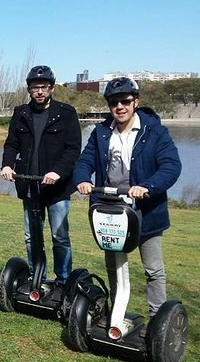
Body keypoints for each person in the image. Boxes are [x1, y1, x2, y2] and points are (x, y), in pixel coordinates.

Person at [74, 76, 181, 319]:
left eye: (125, 101)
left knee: (153, 270)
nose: (119, 107)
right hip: (110, 209)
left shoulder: (155, 132)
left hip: (146, 210)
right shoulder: (101, 132)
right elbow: (85, 160)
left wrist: (147, 186)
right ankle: (116, 314)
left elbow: (171, 166)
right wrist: (82, 179)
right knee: (115, 266)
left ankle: (157, 322)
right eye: (114, 102)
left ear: (136, 102)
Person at [0, 65, 81, 283]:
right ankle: (39, 278)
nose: (39, 92)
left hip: (57, 188)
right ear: (29, 90)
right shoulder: (21, 113)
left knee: (60, 237)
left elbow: (73, 150)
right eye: (35, 87)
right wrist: (7, 165)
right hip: (29, 185)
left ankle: (63, 281)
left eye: (44, 87)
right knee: (31, 237)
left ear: (52, 88)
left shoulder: (66, 113)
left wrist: (57, 172)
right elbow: (11, 144)